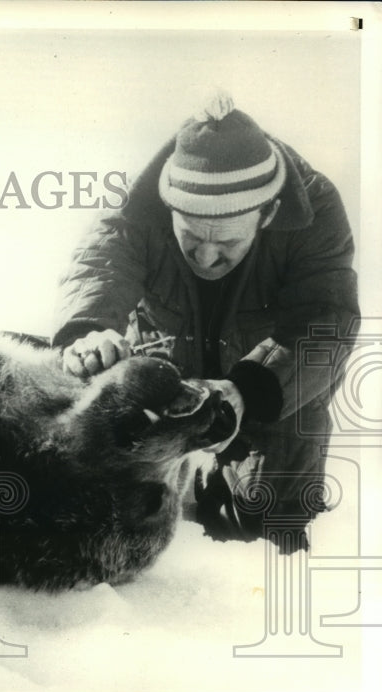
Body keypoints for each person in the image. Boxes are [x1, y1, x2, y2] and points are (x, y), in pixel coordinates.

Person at [50, 91, 360, 548]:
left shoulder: (315, 209)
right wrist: (87, 329)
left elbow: (325, 321)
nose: (207, 257)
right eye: (191, 237)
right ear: (168, 206)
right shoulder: (140, 200)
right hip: (167, 378)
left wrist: (248, 390)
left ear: (268, 213)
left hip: (270, 388)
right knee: (99, 516)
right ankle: (182, 480)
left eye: (228, 244)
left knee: (266, 528)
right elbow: (100, 265)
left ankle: (214, 488)